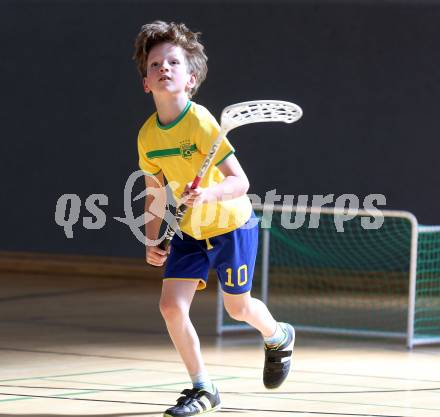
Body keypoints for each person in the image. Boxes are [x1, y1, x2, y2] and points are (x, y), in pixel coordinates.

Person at [133, 20, 295, 417]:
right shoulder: (148, 137)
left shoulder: (203, 122)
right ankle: (203, 388)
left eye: (173, 62)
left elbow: (240, 182)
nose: (164, 68)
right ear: (146, 83)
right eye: (155, 64)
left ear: (191, 79)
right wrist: (153, 238)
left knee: (238, 309)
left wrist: (208, 193)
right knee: (171, 307)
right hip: (189, 232)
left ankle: (278, 336)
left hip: (232, 227)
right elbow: (154, 191)